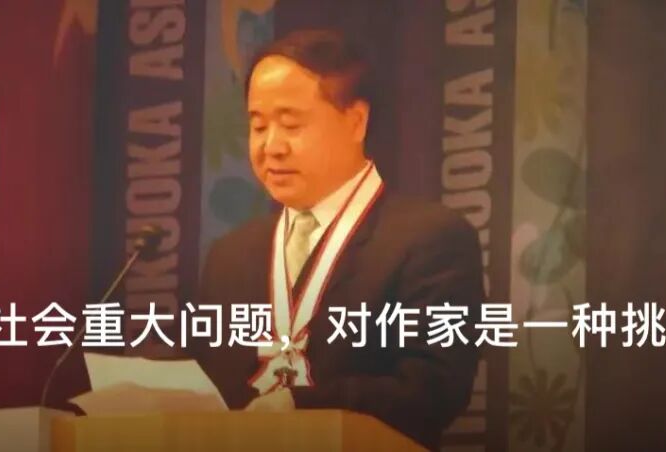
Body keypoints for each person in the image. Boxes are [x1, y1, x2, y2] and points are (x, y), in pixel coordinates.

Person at [186, 29, 485, 450]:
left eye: (291, 124)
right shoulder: (229, 256)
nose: (271, 146)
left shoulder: (430, 239)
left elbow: (433, 391)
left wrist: (301, 406)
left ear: (356, 121)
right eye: (258, 125)